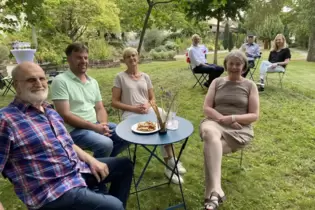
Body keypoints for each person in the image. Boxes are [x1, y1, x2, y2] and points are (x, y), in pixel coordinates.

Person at [0, 62, 133, 210]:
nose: (39, 83)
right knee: (113, 206)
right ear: (16, 85)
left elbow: (67, 143)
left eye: (42, 78)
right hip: (50, 191)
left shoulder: (49, 111)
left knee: (124, 165)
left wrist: (92, 160)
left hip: (75, 171)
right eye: (31, 80)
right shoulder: (6, 120)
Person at [111, 47, 187, 184]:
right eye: (128, 56)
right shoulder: (120, 77)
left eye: (134, 55)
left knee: (166, 122)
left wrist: (148, 105)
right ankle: (171, 163)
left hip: (148, 110)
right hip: (130, 114)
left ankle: (170, 164)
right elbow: (114, 102)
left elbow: (152, 98)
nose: (132, 58)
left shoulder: (145, 76)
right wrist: (133, 108)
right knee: (158, 130)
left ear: (138, 57)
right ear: (124, 60)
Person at [200, 51, 259, 210]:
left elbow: (254, 115)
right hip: (214, 122)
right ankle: (216, 190)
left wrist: (232, 119)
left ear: (244, 67)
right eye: (231, 63)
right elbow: (206, 108)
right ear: (226, 65)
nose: (234, 67)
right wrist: (222, 119)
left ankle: (210, 195)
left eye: (238, 64)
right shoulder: (217, 82)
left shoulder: (250, 85)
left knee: (210, 149)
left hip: (240, 128)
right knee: (210, 135)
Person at [51, 43, 128, 158]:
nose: (83, 61)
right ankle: (98, 170)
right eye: (78, 57)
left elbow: (100, 108)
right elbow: (65, 115)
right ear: (68, 59)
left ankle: (99, 165)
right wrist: (95, 128)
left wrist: (103, 124)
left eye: (85, 58)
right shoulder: (60, 81)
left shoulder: (92, 82)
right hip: (74, 130)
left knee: (125, 135)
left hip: (95, 124)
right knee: (105, 144)